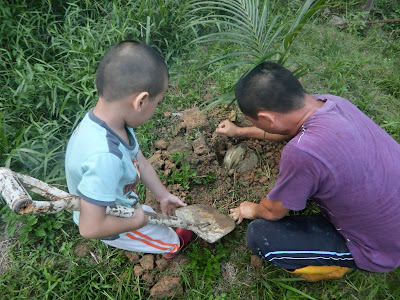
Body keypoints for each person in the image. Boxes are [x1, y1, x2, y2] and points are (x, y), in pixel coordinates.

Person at [217, 60, 400, 281]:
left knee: (260, 236)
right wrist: (241, 131)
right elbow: (288, 130)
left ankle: (337, 265)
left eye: (256, 122)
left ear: (266, 118)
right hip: (389, 203)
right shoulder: (334, 103)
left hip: (383, 247)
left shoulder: (302, 153)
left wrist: (252, 209)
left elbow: (273, 212)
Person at [65, 40, 192, 259]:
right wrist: (135, 221)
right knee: (164, 238)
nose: (157, 107)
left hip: (118, 201)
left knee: (148, 213)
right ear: (141, 101)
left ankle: (148, 222)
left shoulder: (109, 122)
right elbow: (90, 228)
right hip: (110, 220)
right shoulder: (105, 158)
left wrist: (162, 195)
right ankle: (172, 247)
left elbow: (139, 161)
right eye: (158, 102)